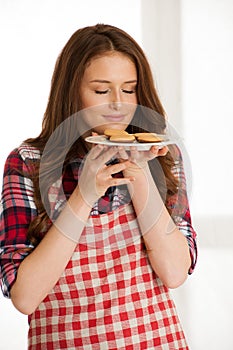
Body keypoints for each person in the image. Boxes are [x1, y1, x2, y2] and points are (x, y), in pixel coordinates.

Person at [0, 24, 197, 349]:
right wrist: (84, 194)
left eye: (130, 89)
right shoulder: (29, 163)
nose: (118, 104)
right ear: (72, 90)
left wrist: (140, 170)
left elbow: (175, 272)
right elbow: (25, 296)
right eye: (101, 91)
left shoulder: (162, 157)